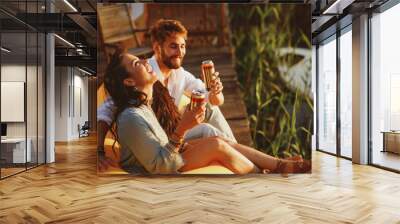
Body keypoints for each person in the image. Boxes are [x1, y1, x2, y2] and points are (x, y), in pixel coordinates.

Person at [103, 51, 311, 174]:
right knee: (217, 145)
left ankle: (279, 165)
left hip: (167, 157)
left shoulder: (143, 105)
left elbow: (159, 144)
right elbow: (159, 166)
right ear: (129, 82)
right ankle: (262, 176)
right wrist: (182, 129)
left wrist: (184, 137)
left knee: (220, 139)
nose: (147, 62)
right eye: (137, 63)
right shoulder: (131, 116)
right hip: (157, 170)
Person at [97, 19, 236, 152]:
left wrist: (215, 91)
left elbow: (216, 101)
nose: (180, 52)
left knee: (210, 108)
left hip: (173, 129)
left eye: (182, 46)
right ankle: (238, 154)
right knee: (207, 130)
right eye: (173, 46)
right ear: (157, 47)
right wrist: (100, 151)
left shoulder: (180, 74)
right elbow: (105, 111)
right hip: (158, 139)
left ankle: (237, 151)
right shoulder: (144, 74)